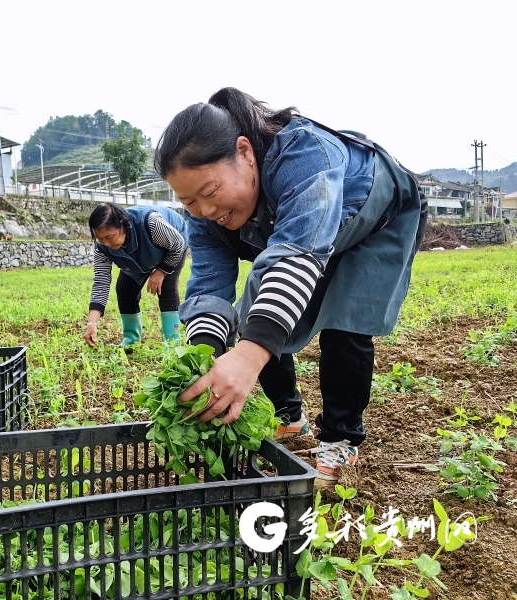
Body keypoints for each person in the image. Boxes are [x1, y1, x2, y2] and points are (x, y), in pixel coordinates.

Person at [154, 88, 427, 484]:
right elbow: (209, 287)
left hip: (373, 217)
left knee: (344, 322)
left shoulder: (305, 156)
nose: (206, 211)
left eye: (211, 192)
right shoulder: (205, 215)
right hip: (298, 239)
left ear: (245, 152)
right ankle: (289, 417)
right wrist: (207, 358)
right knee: (254, 320)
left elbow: (297, 254)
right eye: (190, 202)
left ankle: (340, 440)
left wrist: (246, 360)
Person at [84, 202, 189, 349]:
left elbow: (178, 244)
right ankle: (131, 340)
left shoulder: (150, 222)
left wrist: (161, 272)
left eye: (109, 237)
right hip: (138, 257)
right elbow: (101, 283)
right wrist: (92, 323)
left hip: (171, 248)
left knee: (166, 289)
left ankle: (172, 345)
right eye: (100, 239)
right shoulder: (102, 248)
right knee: (124, 290)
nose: (106, 243)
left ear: (122, 225)